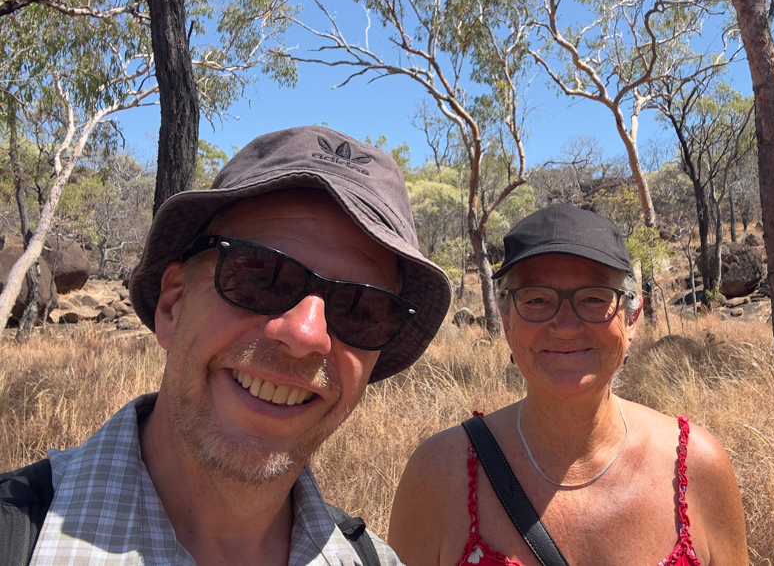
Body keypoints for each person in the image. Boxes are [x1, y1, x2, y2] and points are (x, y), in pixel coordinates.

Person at [3, 127, 451, 566]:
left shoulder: (374, 560)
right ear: (173, 305)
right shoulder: (16, 538)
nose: (305, 335)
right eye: (262, 277)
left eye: (361, 308)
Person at [388, 203, 748, 566]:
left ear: (632, 317)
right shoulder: (438, 475)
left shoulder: (696, 465)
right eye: (537, 299)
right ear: (507, 320)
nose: (565, 324)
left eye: (593, 298)